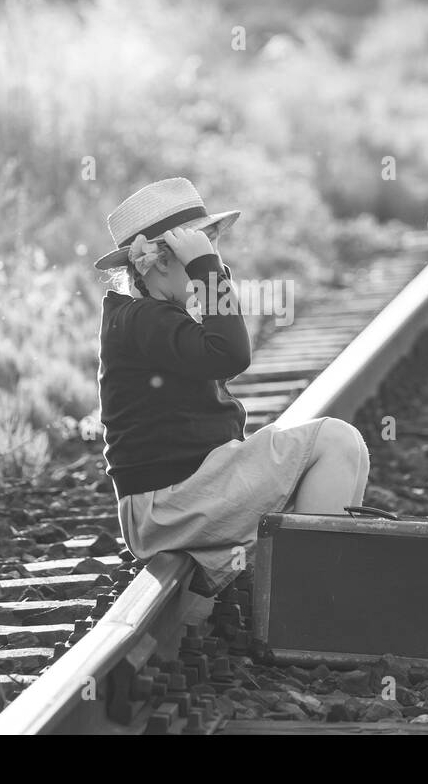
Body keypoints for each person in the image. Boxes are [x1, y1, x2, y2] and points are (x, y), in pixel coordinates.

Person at [94, 177, 371, 596]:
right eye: (203, 254)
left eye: (215, 253)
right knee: (336, 441)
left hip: (181, 495)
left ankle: (307, 594)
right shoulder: (140, 320)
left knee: (349, 457)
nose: (217, 266)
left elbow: (225, 349)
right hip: (164, 505)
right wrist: (208, 273)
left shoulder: (156, 316)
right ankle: (305, 605)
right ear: (162, 262)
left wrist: (206, 270)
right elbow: (232, 353)